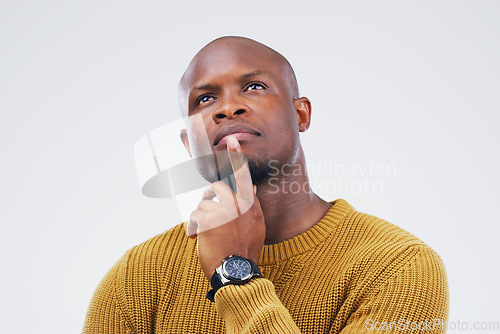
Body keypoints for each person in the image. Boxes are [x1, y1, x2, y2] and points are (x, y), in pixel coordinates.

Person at [83, 36, 449, 333]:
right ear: (187, 143)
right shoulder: (137, 277)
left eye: (254, 86)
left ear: (301, 114)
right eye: (205, 99)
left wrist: (234, 273)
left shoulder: (400, 267)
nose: (227, 108)